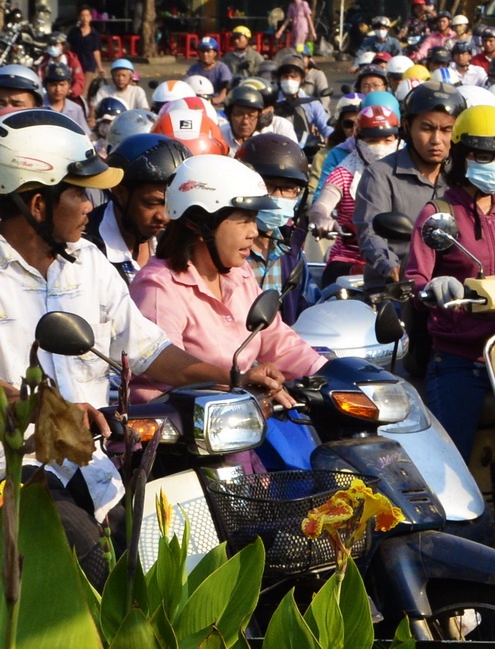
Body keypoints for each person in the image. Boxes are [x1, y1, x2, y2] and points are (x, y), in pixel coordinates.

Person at [0, 111, 285, 586]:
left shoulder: (88, 264)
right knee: (92, 564)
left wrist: (229, 375)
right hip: (15, 475)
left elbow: (150, 350)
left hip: (96, 471)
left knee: (188, 551)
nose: (91, 206)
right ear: (37, 203)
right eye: (78, 192)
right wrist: (44, 409)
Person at [129, 153, 325, 402]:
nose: (253, 232)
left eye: (253, 220)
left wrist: (328, 372)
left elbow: (276, 338)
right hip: (183, 430)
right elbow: (166, 367)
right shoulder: (159, 286)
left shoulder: (239, 273)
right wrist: (236, 381)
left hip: (244, 416)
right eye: (243, 220)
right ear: (200, 224)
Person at [407, 106, 495, 459]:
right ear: (462, 156)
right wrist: (432, 289)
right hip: (458, 357)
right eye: (483, 155)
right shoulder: (438, 213)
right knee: (451, 461)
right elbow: (416, 278)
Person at [355, 83, 461, 283]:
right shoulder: (379, 175)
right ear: (406, 127)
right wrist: (391, 267)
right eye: (427, 128)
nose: (436, 139)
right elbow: (370, 233)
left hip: (451, 288)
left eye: (447, 130)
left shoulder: (462, 177)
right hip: (395, 291)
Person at [311, 104, 403, 284]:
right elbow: (321, 205)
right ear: (357, 139)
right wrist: (321, 218)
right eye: (372, 140)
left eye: (387, 140)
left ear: (398, 139)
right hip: (350, 260)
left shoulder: (408, 173)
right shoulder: (344, 173)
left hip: (400, 259)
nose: (380, 147)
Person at [86, 134, 189, 282]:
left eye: (173, 205)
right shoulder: (85, 248)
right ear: (119, 191)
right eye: (152, 203)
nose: (164, 217)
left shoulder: (177, 242)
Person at [233, 133, 310, 297]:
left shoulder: (292, 253)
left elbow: (307, 305)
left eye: (288, 188)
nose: (278, 197)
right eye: (268, 186)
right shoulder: (226, 252)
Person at [43, 63, 87, 129]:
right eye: (53, 85)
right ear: (46, 86)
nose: (58, 89)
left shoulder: (76, 110)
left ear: (69, 85)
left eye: (62, 85)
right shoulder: (38, 107)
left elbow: (86, 135)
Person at [68, 8, 105, 80]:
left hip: (89, 65)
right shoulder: (74, 32)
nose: (85, 18)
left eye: (87, 15)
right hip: (76, 64)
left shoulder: (94, 34)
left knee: (84, 89)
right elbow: (68, 46)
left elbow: (96, 51)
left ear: (91, 17)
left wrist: (100, 67)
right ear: (79, 17)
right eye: (82, 15)